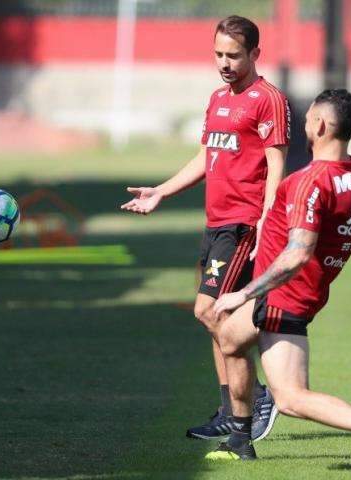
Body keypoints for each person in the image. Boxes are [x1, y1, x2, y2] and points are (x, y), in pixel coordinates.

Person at [208, 89, 351, 478]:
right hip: (297, 292)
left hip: (282, 296)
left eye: (308, 117)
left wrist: (242, 292)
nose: (305, 123)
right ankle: (240, 441)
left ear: (320, 126)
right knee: (229, 337)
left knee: (290, 397)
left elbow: (297, 254)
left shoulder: (310, 181)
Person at [121, 15, 290, 442]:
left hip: (242, 226)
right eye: (218, 54)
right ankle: (230, 412)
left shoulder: (267, 99)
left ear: (255, 54)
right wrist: (161, 191)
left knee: (208, 310)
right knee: (220, 316)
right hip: (215, 224)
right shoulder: (217, 98)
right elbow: (205, 156)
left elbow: (276, 167)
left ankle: (256, 398)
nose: (224, 63)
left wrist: (268, 220)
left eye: (234, 55)